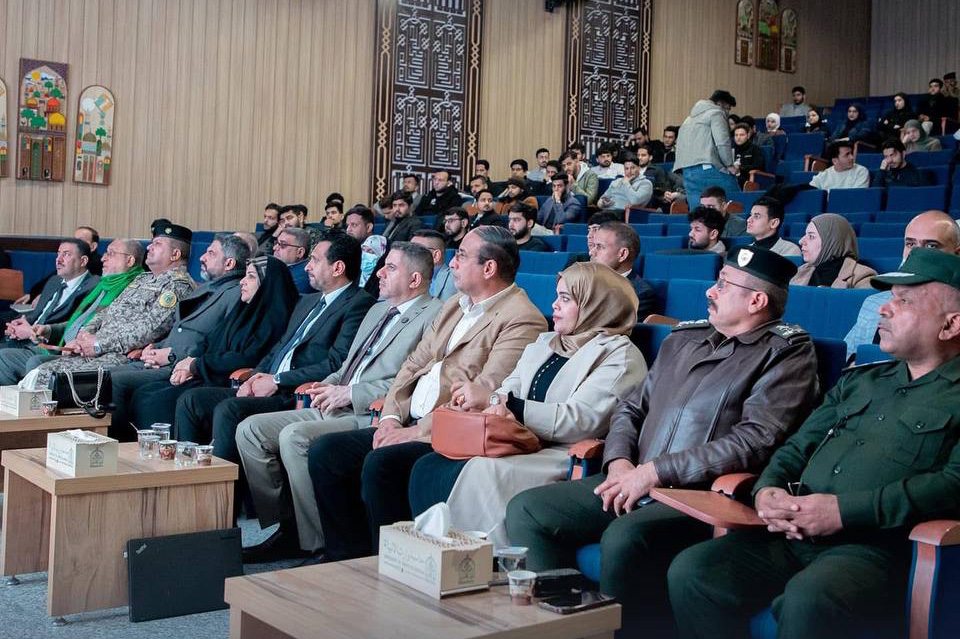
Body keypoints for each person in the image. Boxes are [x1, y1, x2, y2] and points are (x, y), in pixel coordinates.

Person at [507, 246, 820, 638]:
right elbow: (630, 409)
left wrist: (655, 472)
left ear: (756, 301)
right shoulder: (685, 339)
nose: (710, 291)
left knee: (625, 536)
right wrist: (618, 461)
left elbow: (755, 440)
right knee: (529, 509)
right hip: (632, 477)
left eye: (724, 285)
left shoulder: (786, 353)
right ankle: (563, 630)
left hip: (698, 493)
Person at [668, 248, 960, 639]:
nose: (884, 309)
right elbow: (796, 445)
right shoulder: (862, 380)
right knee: (694, 571)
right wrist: (768, 490)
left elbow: (952, 484)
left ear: (950, 324)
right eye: (889, 298)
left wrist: (843, 512)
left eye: (904, 301)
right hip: (793, 531)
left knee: (809, 599)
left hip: (873, 547)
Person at [306, 226, 548, 562]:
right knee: (327, 452)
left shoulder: (521, 318)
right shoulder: (454, 306)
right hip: (408, 420)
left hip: (447, 430)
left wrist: (416, 431)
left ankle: (388, 563)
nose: (452, 263)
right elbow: (412, 364)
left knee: (382, 464)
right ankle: (345, 558)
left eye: (461, 255)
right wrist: (391, 418)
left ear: (489, 268)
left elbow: (485, 390)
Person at [408, 262, 647, 545]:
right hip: (518, 439)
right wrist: (495, 405)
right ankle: (432, 552)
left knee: (482, 470)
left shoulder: (620, 356)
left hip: (562, 453)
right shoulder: (546, 341)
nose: (554, 305)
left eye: (566, 299)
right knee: (428, 466)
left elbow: (581, 420)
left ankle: (476, 556)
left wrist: (508, 404)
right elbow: (511, 387)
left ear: (597, 306)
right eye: (557, 296)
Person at [236, 243, 443, 561]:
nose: (379, 273)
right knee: (250, 430)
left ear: (415, 279)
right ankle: (289, 525)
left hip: (371, 411)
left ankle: (316, 539)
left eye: (390, 268)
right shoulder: (378, 310)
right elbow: (348, 366)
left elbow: (413, 382)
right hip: (336, 400)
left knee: (294, 437)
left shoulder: (434, 315)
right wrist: (329, 384)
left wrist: (350, 393)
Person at [173, 231, 376, 465]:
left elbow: (336, 363)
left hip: (296, 392)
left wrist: (277, 380)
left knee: (229, 409)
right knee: (192, 400)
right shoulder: (308, 301)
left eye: (315, 260)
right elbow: (279, 348)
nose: (307, 266)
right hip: (269, 382)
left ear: (338, 268)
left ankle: (226, 485)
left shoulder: (359, 304)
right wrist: (254, 377)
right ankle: (187, 473)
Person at [126, 255, 298, 432]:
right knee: (145, 392)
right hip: (206, 372)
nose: (242, 282)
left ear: (267, 283)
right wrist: (188, 363)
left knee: (155, 400)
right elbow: (210, 340)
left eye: (251, 277)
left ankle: (168, 448)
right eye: (245, 275)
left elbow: (248, 358)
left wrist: (196, 365)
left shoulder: (274, 317)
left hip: (226, 379)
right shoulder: (242, 309)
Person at [108, 235, 252, 438]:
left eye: (211, 253)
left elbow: (217, 341)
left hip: (184, 365)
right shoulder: (208, 288)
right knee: (103, 374)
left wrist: (172, 354)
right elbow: (181, 329)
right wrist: (156, 347)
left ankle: (120, 445)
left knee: (114, 381)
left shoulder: (236, 293)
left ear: (229, 263)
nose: (202, 257)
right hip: (163, 359)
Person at [21, 226, 196, 389]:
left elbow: (151, 329)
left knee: (50, 379)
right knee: (39, 372)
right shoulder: (143, 278)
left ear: (175, 254)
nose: (149, 247)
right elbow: (108, 311)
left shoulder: (177, 285)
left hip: (122, 355)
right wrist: (85, 336)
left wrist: (99, 344)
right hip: (97, 349)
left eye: (157, 244)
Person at [843, 211, 960, 360]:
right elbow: (847, 358)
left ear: (957, 253)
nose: (916, 253)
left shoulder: (953, 310)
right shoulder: (873, 303)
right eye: (910, 244)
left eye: (931, 246)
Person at [2, 239, 99, 348]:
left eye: (66, 254)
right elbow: (37, 314)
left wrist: (30, 332)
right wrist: (18, 325)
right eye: (58, 254)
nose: (58, 260)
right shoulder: (55, 280)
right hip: (24, 339)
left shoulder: (94, 286)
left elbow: (76, 325)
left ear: (83, 261)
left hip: (47, 345)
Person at [674, 89, 739, 208]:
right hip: (707, 168)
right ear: (720, 104)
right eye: (728, 108)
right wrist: (729, 165)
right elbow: (722, 142)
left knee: (698, 212)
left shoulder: (688, 119)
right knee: (736, 201)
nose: (727, 113)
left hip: (687, 171)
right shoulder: (716, 113)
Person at [589, 221, 657, 320]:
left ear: (622, 254)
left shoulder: (639, 294)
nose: (591, 252)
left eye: (600, 247)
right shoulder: (585, 282)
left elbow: (612, 327)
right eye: (593, 246)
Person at [792, 213, 876, 288]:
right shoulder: (800, 272)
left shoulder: (863, 276)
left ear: (832, 241)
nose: (801, 241)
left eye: (811, 236)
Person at [410, 230, 457, 300]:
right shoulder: (405, 276)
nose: (409, 255)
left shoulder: (455, 279)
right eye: (409, 251)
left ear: (436, 256)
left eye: (416, 251)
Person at [636, 145, 684, 211]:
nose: (639, 158)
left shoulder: (657, 170)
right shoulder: (632, 169)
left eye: (643, 155)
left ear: (650, 157)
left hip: (651, 198)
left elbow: (664, 188)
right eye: (638, 155)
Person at [273, 227, 313, 294]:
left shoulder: (303, 279)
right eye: (276, 243)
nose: (274, 248)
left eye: (283, 245)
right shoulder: (280, 266)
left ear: (300, 252)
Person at [732, 123, 767, 188]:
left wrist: (740, 168)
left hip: (747, 178)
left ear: (748, 135)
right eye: (736, 135)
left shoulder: (755, 149)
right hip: (732, 177)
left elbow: (758, 166)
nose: (738, 137)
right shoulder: (731, 150)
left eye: (741, 135)